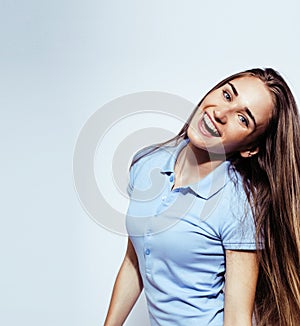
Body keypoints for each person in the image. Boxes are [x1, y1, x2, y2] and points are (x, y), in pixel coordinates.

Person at [104, 68, 300, 326]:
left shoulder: (238, 204)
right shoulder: (147, 163)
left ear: (250, 148)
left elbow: (237, 317)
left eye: (243, 119)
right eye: (228, 95)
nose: (219, 113)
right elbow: (134, 260)